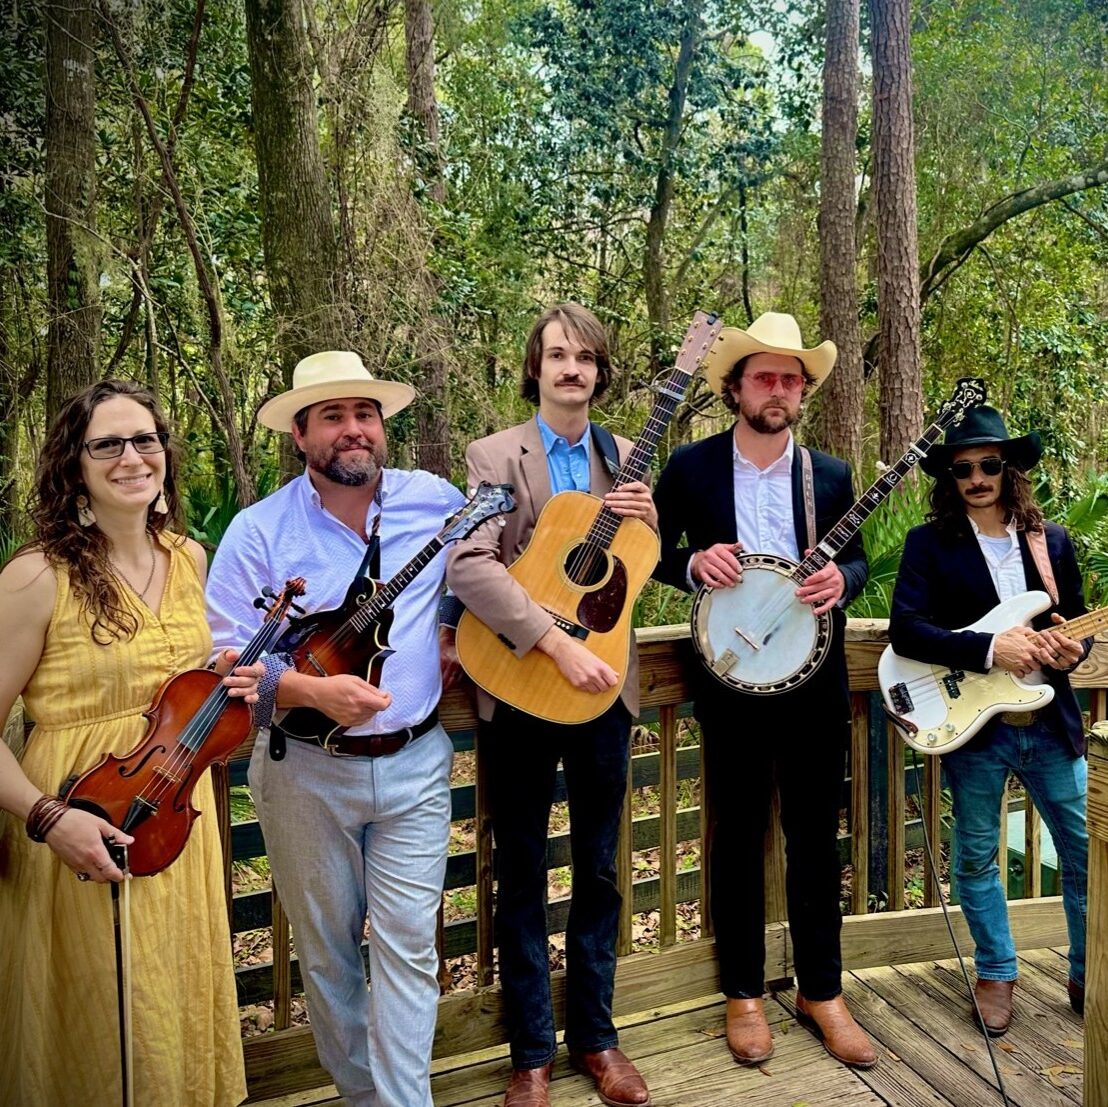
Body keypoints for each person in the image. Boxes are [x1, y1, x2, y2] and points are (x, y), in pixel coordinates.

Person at [205, 351, 466, 1107]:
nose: (353, 430)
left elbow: (486, 571)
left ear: (382, 426)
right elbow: (224, 659)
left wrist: (450, 626)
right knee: (326, 956)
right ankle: (368, 1098)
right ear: (299, 433)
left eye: (365, 414)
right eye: (333, 416)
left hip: (415, 762)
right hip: (302, 771)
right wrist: (313, 690)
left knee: (410, 946)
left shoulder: (435, 501)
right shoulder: (260, 532)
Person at [0, 379, 258, 1106]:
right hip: (75, 826)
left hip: (174, 824)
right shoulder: (34, 577)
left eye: (144, 439)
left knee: (165, 1010)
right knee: (93, 1022)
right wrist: (51, 818)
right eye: (106, 444)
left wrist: (219, 687)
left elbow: (172, 689)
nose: (130, 457)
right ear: (73, 465)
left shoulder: (190, 559)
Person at [651, 312, 877, 1070]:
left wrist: (837, 580)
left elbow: (862, 565)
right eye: (764, 376)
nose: (777, 390)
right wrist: (692, 564)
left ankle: (823, 991)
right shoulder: (691, 467)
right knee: (738, 836)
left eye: (791, 378)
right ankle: (743, 994)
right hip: (730, 680)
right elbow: (646, 549)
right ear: (735, 387)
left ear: (801, 391)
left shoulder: (831, 474)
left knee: (817, 836)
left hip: (814, 679)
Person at [447, 303, 655, 1107]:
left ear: (602, 373)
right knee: (523, 870)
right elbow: (469, 564)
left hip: (605, 692)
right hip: (521, 685)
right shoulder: (495, 454)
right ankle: (531, 1052)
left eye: (586, 358)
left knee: (600, 870)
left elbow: (637, 567)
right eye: (557, 356)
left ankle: (598, 1039)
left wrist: (654, 522)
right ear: (534, 368)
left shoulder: (627, 457)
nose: (572, 369)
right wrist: (550, 640)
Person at [889, 405, 1089, 1034]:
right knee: (976, 856)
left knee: (1086, 853)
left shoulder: (1051, 542)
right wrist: (986, 648)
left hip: (1049, 722)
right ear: (949, 478)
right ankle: (996, 972)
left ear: (1009, 469)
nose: (976, 477)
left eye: (988, 465)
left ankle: (1090, 970)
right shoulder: (929, 543)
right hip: (974, 726)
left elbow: (1073, 625)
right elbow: (905, 630)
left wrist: (1069, 648)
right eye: (963, 468)